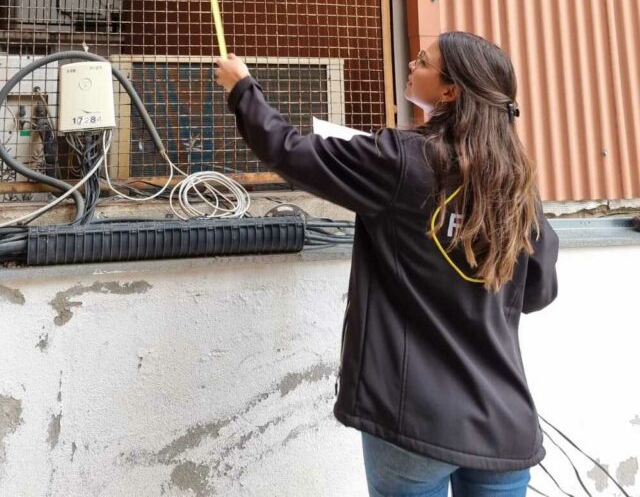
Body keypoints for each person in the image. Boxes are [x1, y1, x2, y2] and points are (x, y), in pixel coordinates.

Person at [214, 31, 558, 497]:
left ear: (450, 91)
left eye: (422, 61)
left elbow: (289, 150)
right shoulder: (517, 186)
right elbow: (537, 292)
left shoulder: (401, 160)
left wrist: (243, 89)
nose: (411, 66)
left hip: (414, 420)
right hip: (502, 423)